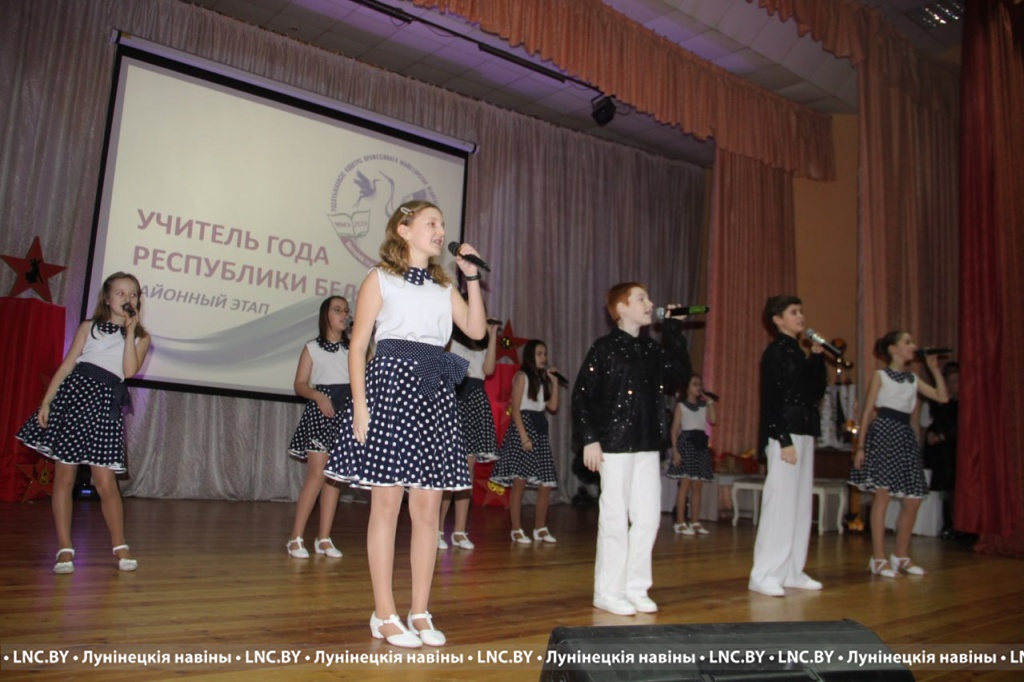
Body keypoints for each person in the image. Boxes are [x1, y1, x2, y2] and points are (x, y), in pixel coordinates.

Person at [324, 200, 486, 649]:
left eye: (442, 224)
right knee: (386, 506)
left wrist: (472, 278)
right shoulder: (380, 277)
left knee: (428, 512)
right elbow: (358, 345)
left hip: (434, 392)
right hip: (391, 389)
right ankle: (384, 614)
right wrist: (360, 405)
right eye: (431, 223)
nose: (440, 230)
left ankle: (419, 610)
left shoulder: (443, 285)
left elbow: (476, 331)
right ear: (404, 229)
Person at [17, 272, 151, 574]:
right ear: (107, 298)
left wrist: (130, 331)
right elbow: (67, 365)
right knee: (64, 478)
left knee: (105, 482)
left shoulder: (142, 337)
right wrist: (47, 401)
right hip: (75, 400)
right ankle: (64, 548)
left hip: (104, 407)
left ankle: (120, 545)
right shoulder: (89, 327)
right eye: (120, 293)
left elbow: (128, 371)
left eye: (133, 294)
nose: (127, 298)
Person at [573, 283, 691, 616]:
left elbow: (678, 375)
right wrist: (589, 439)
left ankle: (635, 587)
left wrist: (673, 330)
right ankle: (608, 591)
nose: (650, 302)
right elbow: (582, 395)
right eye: (641, 298)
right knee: (614, 518)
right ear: (621, 308)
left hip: (647, 444)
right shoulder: (604, 348)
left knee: (648, 518)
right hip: (614, 445)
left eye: (649, 298)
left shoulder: (651, 349)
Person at [850, 331, 948, 578]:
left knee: (913, 500)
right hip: (883, 432)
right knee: (882, 496)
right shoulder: (880, 376)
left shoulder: (913, 379)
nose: (913, 346)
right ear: (893, 349)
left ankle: (901, 555)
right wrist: (860, 447)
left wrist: (934, 369)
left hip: (904, 435)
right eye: (907, 342)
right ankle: (878, 558)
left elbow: (943, 397)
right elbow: (867, 412)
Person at [748, 295, 827, 597]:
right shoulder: (775, 353)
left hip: (805, 431)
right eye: (794, 312)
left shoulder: (799, 352)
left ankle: (792, 571)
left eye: (801, 311)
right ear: (778, 319)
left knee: (800, 506)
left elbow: (815, 392)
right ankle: (765, 574)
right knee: (780, 505)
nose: (801, 316)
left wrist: (817, 358)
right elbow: (771, 401)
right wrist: (783, 439)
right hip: (786, 435)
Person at [285, 296, 352, 559]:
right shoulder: (312, 348)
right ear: (326, 315)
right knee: (317, 474)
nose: (344, 314)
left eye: (346, 310)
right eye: (338, 310)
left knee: (334, 480)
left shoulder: (354, 349)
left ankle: (323, 538)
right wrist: (317, 396)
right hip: (321, 413)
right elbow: (300, 384)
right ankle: (295, 538)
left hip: (345, 414)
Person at [489, 339, 561, 544]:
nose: (543, 358)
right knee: (519, 481)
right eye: (539, 354)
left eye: (545, 354)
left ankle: (540, 528)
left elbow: (553, 406)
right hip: (524, 429)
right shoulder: (522, 377)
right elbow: (516, 409)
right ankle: (516, 529)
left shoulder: (542, 379)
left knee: (546, 483)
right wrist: (523, 437)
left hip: (539, 428)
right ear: (530, 356)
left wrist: (554, 382)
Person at [438, 319, 500, 551]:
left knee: (467, 471)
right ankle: (437, 529)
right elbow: (446, 371)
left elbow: (489, 370)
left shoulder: (482, 343)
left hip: (476, 402)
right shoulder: (452, 338)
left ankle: (460, 531)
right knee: (449, 470)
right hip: (456, 399)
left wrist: (492, 336)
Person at [667, 373, 717, 535]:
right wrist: (675, 451)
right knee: (685, 484)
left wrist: (710, 402)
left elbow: (713, 420)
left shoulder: (703, 405)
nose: (698, 387)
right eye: (695, 384)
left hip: (700, 444)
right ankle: (680, 522)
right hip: (687, 443)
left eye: (700, 384)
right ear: (687, 387)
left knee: (698, 485)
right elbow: (674, 430)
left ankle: (695, 521)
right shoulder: (681, 406)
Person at [923, 361, 959, 537]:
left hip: (956, 453)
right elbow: (936, 423)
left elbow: (960, 428)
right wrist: (931, 434)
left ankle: (956, 525)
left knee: (954, 489)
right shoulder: (944, 404)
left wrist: (942, 437)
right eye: (949, 381)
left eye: (955, 381)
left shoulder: (964, 405)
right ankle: (947, 524)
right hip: (943, 454)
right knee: (946, 491)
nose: (952, 385)